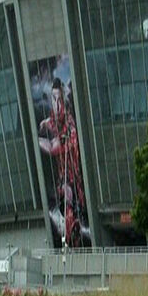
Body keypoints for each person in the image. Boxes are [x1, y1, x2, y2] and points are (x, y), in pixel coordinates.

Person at [38, 78, 87, 247]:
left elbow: (53, 147)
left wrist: (34, 138)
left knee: (68, 198)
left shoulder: (71, 128)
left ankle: (74, 235)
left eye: (59, 100)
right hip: (62, 178)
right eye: (53, 99)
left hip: (73, 180)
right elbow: (48, 124)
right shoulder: (51, 121)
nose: (56, 105)